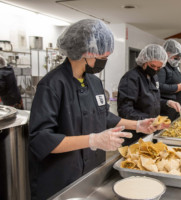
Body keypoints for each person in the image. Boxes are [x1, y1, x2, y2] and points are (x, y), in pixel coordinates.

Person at [28, 19, 160, 200]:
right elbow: (41, 139)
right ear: (86, 52)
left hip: (91, 173)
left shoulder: (94, 82)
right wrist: (93, 140)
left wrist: (138, 125)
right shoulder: (52, 85)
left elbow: (103, 115)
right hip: (61, 179)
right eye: (103, 57)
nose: (104, 61)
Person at [117, 44, 181, 145]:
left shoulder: (153, 77)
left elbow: (151, 99)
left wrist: (168, 102)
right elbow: (125, 110)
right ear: (144, 60)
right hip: (135, 132)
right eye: (152, 66)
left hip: (150, 129)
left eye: (159, 67)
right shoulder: (131, 78)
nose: (155, 69)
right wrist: (147, 120)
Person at [158, 39, 181, 121]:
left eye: (179, 57)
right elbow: (159, 87)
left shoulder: (174, 67)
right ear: (167, 53)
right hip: (166, 109)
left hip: (177, 108)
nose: (178, 59)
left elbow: (173, 85)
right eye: (176, 57)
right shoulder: (161, 67)